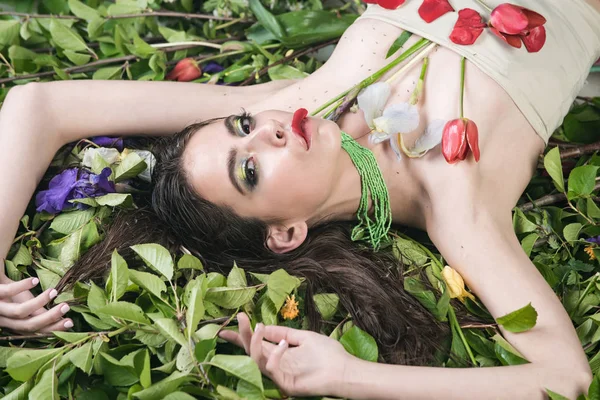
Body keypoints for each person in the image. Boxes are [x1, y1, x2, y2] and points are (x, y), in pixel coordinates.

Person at [0, 0, 599, 398]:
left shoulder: (291, 100)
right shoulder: (454, 204)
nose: (267, 131)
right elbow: (562, 377)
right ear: (285, 232)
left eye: (239, 125)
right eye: (252, 171)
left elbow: (39, 106)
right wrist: (349, 374)